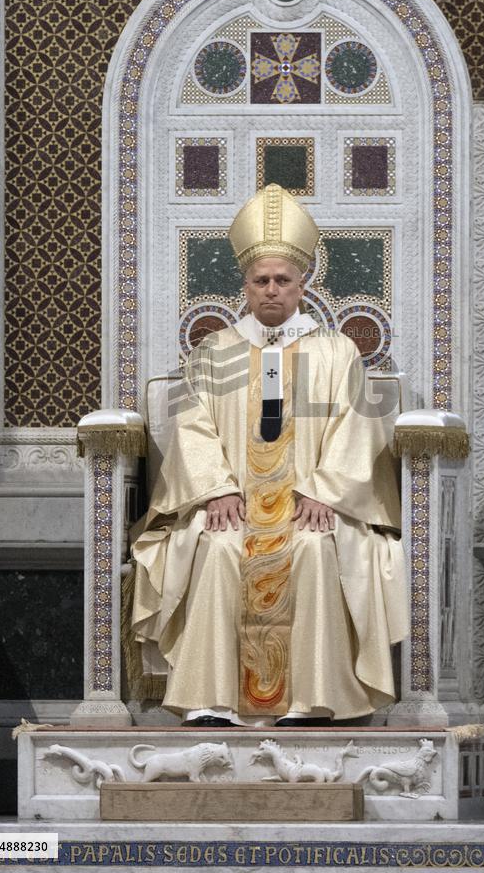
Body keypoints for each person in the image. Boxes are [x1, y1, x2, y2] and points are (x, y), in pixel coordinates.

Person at [130, 183, 409, 727]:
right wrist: (217, 489)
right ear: (246, 285)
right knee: (216, 547)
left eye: (284, 280)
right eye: (262, 281)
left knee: (312, 549)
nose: (272, 291)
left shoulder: (335, 350)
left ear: (303, 284)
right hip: (233, 503)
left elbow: (357, 426)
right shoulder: (216, 351)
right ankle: (211, 699)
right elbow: (193, 425)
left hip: (312, 505)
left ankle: (314, 699)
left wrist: (325, 492)